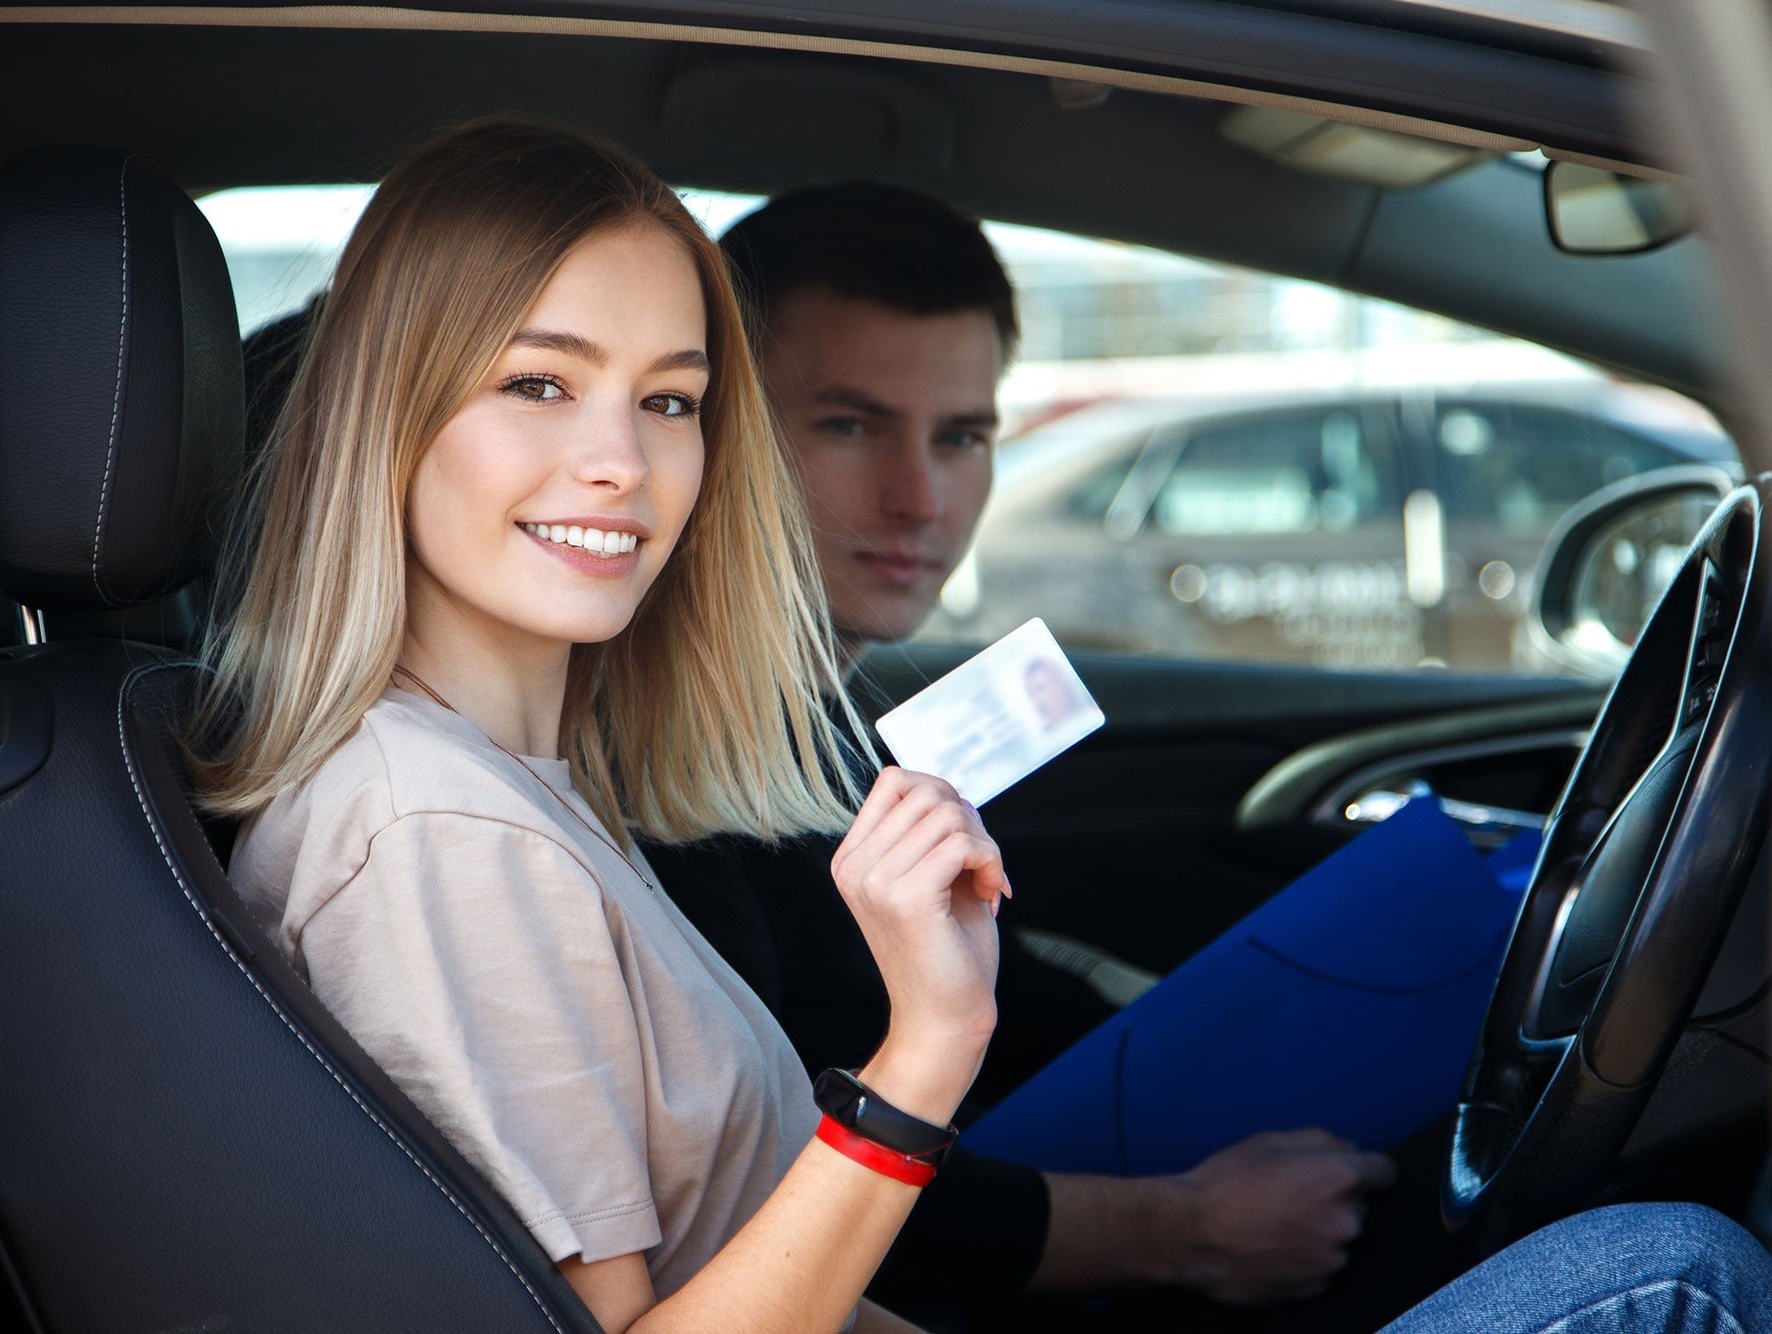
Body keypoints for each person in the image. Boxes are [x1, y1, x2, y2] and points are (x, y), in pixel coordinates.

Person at [203, 120, 1772, 1334]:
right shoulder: (433, 828)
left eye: (672, 399)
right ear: (391, 410)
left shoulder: (529, 787)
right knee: (1675, 1269)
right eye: (538, 386)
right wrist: (923, 1053)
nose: (620, 459)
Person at [644, 182, 1399, 1320]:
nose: (919, 497)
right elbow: (788, 1196)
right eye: (849, 424)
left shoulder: (816, 715)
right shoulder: (665, 776)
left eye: (962, 434)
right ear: (718, 420)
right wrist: (1183, 1228)